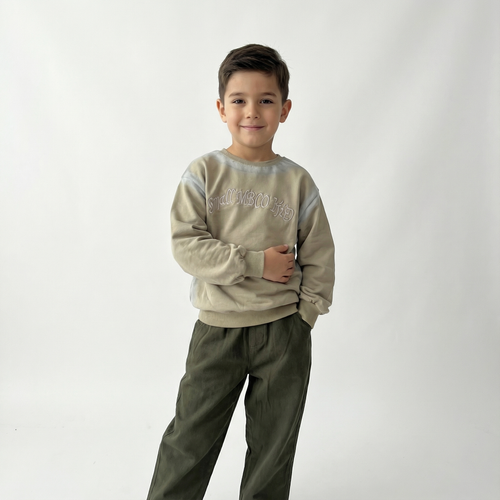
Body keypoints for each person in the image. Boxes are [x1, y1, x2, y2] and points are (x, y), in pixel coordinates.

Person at [146, 43, 335, 500]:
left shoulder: (297, 181)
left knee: (273, 447)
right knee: (190, 439)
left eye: (266, 100)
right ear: (221, 108)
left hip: (283, 333)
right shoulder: (204, 172)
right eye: (239, 100)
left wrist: (307, 314)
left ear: (284, 110)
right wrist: (255, 263)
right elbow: (186, 246)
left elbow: (319, 251)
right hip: (218, 331)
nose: (252, 111)